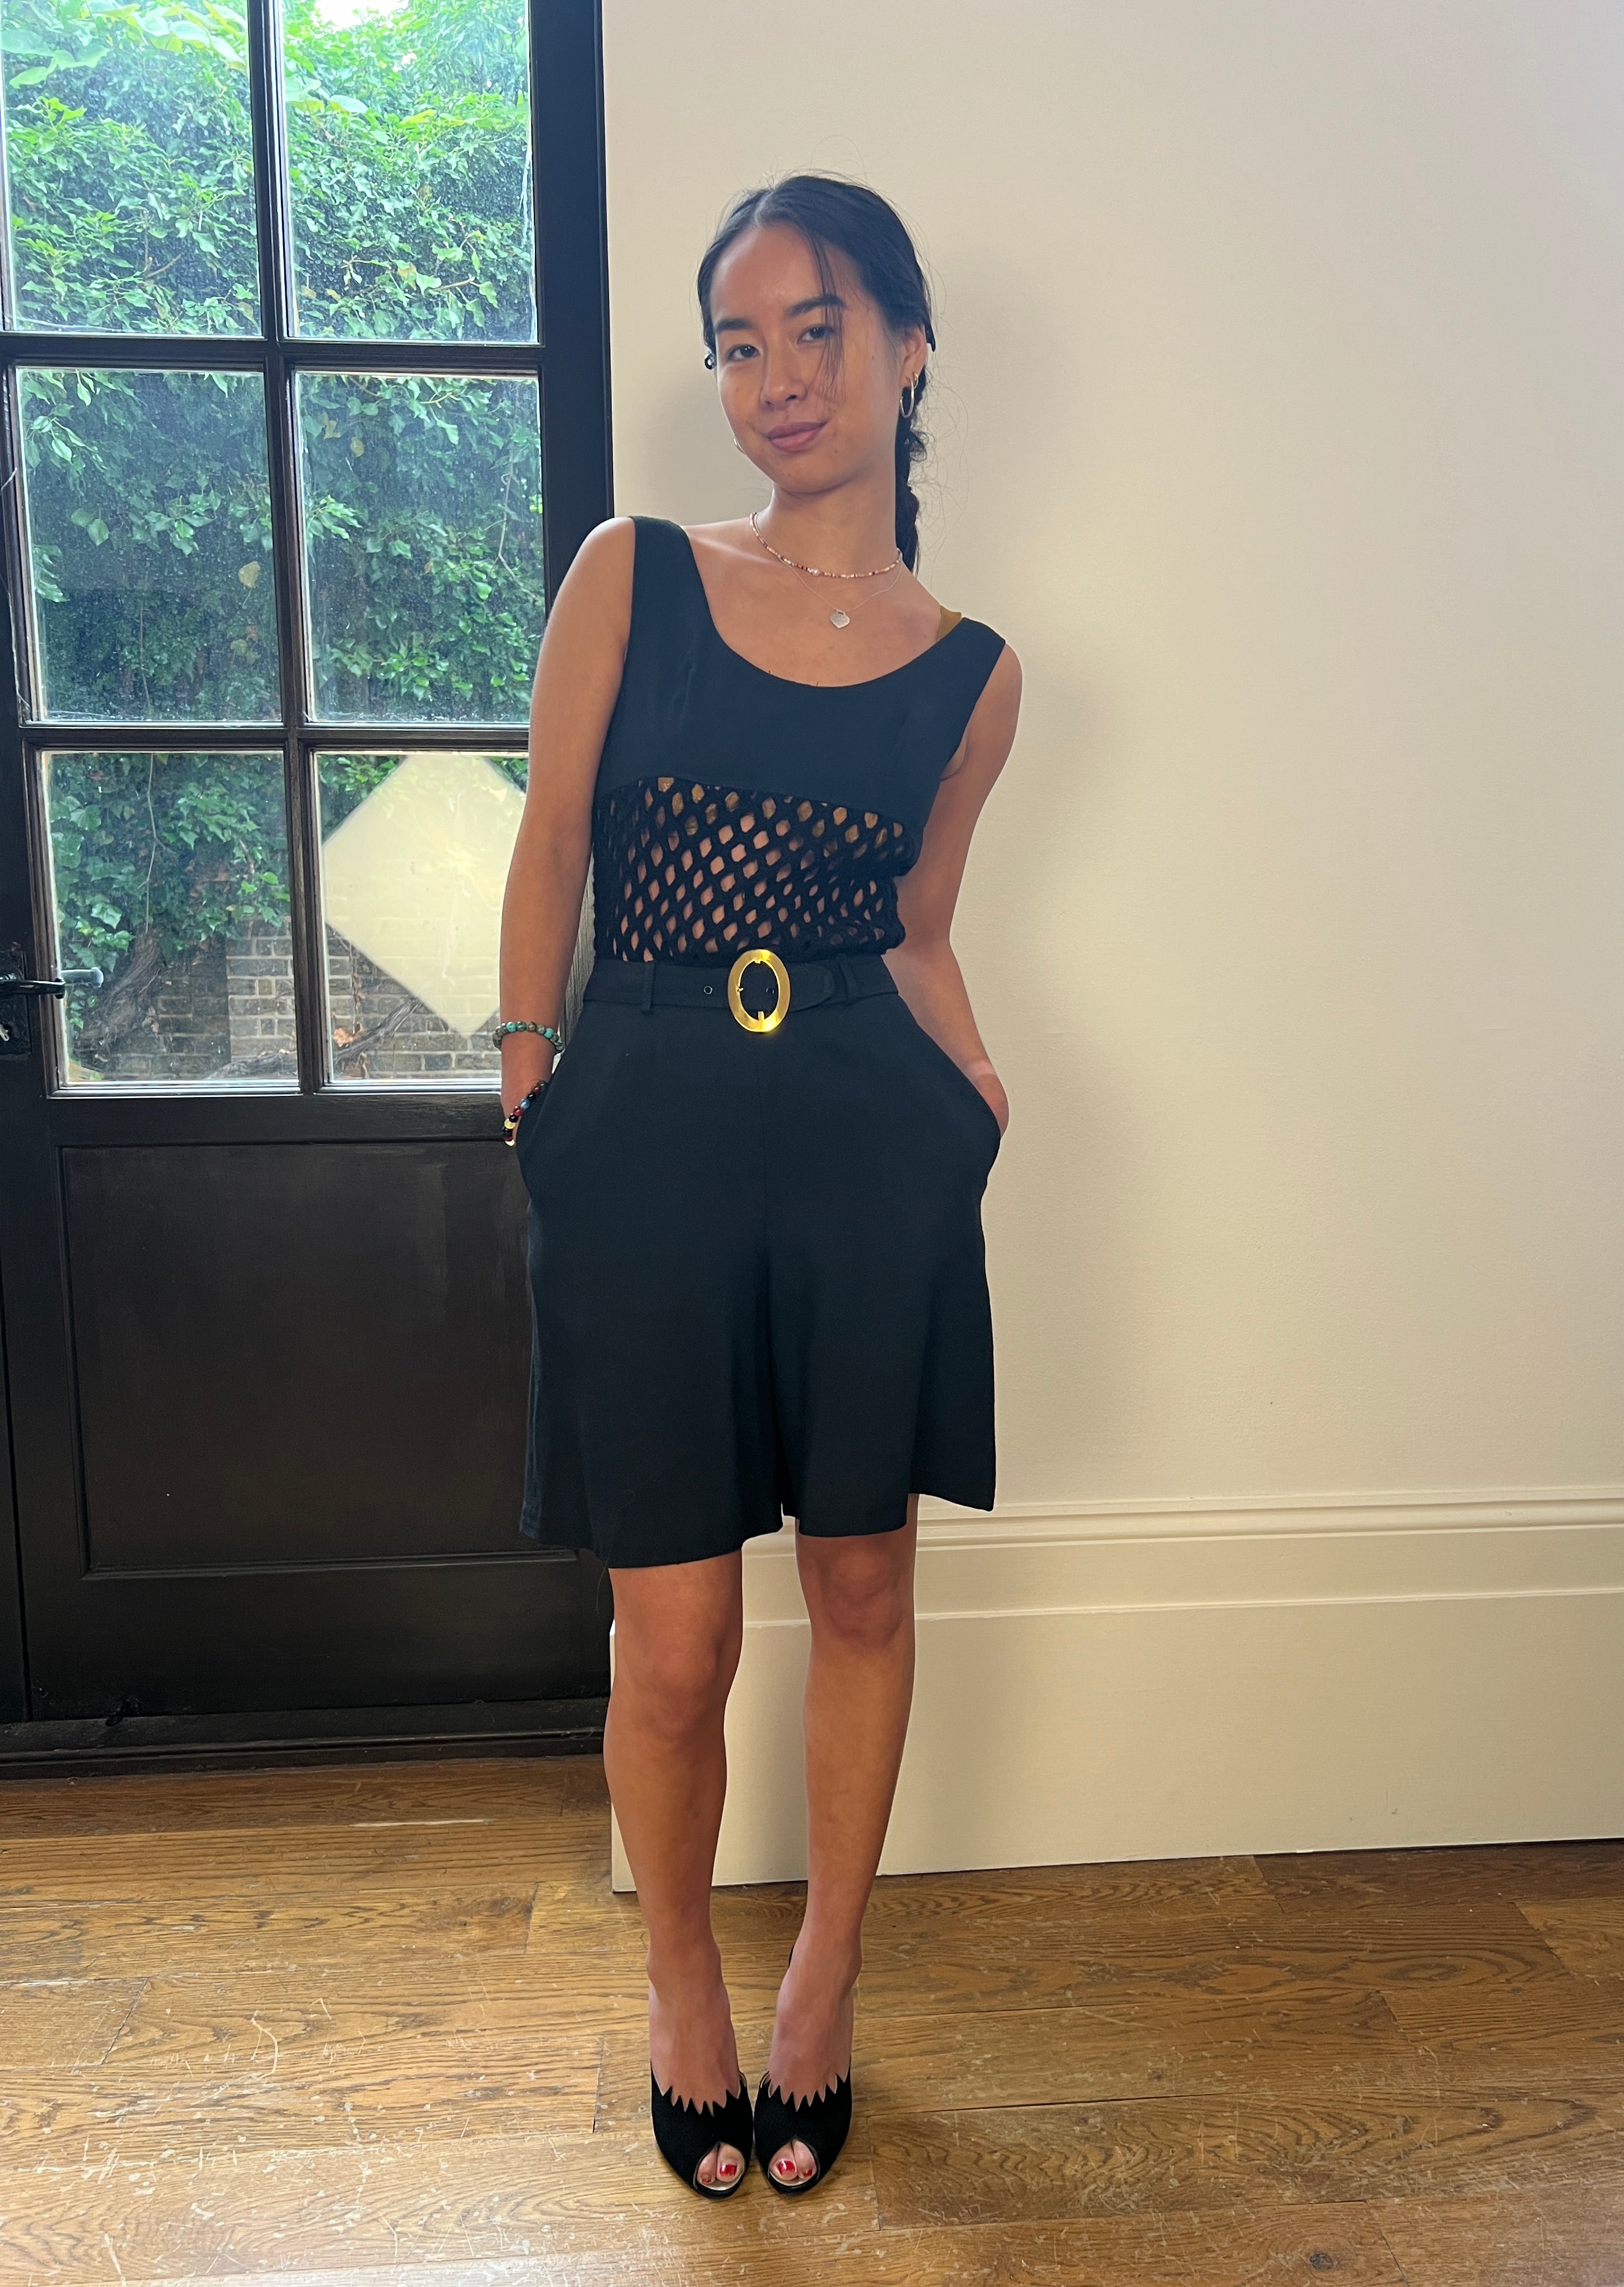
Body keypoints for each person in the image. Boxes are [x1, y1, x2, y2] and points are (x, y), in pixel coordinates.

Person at [495, 172, 1022, 2200]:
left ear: (907, 346)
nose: (779, 377)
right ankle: (680, 1991)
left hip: (868, 1144)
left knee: (865, 1584)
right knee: (676, 1638)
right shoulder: (631, 574)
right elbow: (553, 845)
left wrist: (973, 1089)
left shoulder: (972, 673)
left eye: (818, 329)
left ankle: (825, 1984)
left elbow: (918, 924)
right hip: (645, 1131)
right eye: (739, 341)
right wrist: (529, 1080)